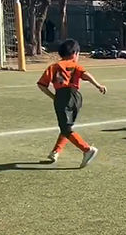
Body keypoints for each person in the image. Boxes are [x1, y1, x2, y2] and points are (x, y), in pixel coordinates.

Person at [36, 39, 105, 167]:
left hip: (62, 96)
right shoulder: (75, 66)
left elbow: (41, 85)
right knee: (67, 126)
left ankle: (87, 149)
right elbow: (86, 75)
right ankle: (56, 151)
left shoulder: (54, 67)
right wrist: (98, 85)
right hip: (76, 97)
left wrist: (53, 96)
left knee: (65, 127)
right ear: (74, 53)